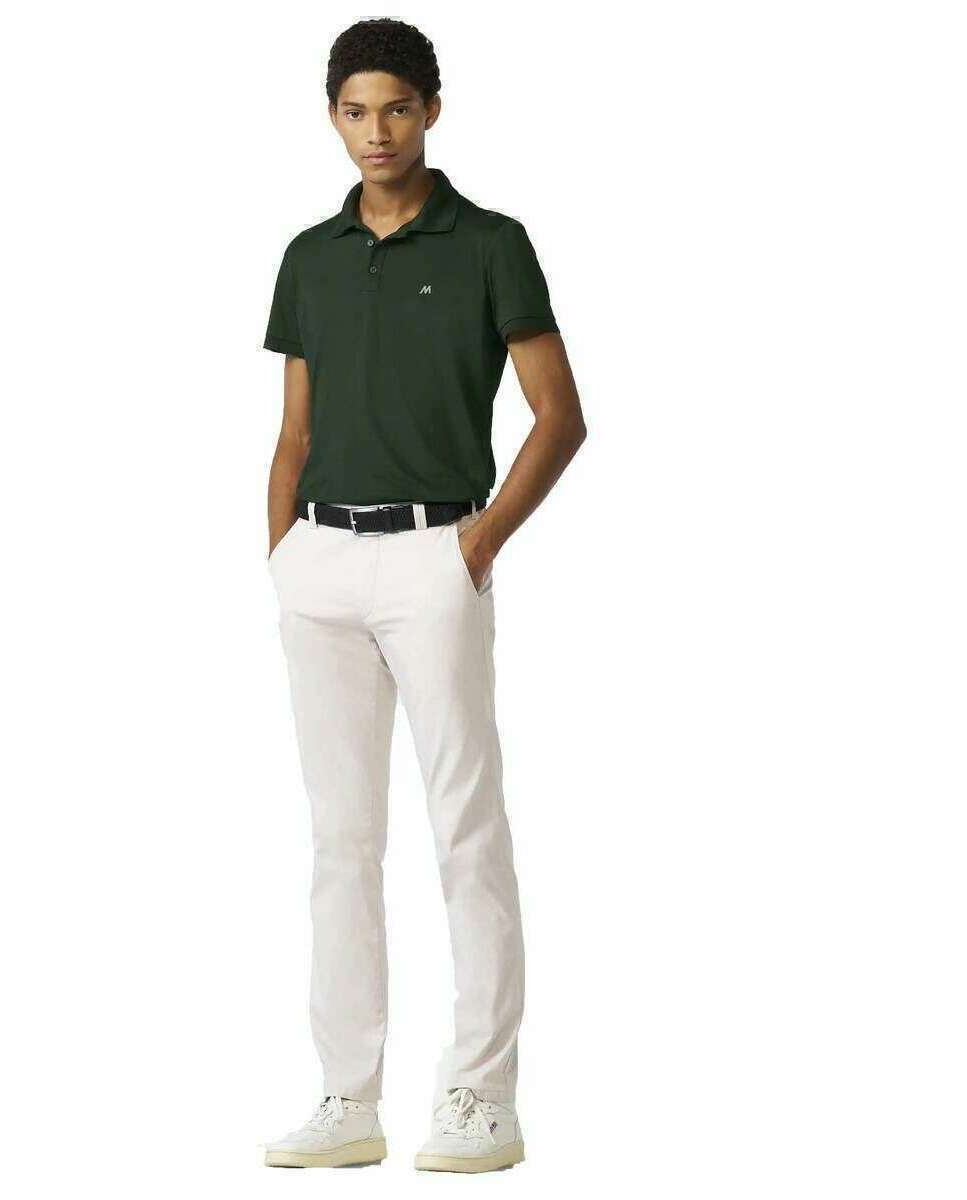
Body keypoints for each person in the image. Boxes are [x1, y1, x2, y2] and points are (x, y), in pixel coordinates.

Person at [260, 18, 586, 1173]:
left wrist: (477, 543)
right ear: (332, 117)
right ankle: (347, 1099)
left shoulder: (491, 243)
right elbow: (293, 429)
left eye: (396, 107)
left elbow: (560, 416)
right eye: (355, 111)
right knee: (340, 842)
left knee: (466, 827)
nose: (377, 132)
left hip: (436, 555)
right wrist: (283, 553)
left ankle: (481, 1097)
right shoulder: (310, 256)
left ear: (431, 110)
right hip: (321, 565)